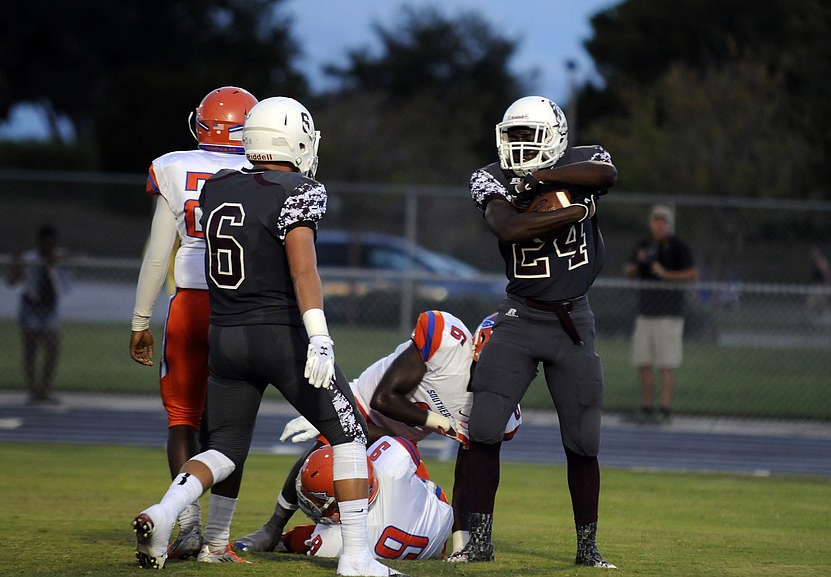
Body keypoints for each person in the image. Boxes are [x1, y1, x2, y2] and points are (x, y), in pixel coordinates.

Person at [131, 96, 402, 577]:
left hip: (226, 336)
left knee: (223, 448)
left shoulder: (217, 186)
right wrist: (319, 335)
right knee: (349, 435)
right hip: (281, 336)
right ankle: (358, 558)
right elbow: (303, 271)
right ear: (293, 139)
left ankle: (166, 511)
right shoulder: (298, 189)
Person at [447, 95, 618, 568]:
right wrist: (573, 213)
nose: (520, 146)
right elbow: (507, 227)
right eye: (514, 135)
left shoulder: (582, 161)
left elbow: (606, 176)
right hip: (520, 316)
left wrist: (541, 178)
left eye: (530, 136)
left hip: (573, 321)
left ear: (556, 138)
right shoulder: (491, 177)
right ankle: (479, 543)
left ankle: (588, 548)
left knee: (583, 442)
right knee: (482, 429)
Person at [235, 310, 521, 556]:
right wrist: (440, 422)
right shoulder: (446, 344)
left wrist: (462, 542)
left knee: (392, 516)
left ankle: (313, 537)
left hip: (401, 445)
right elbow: (383, 399)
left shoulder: (499, 409)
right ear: (480, 347)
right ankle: (273, 527)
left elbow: (468, 479)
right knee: (322, 466)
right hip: (362, 408)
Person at [129, 86, 257, 561]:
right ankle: (218, 541)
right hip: (242, 308)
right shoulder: (264, 169)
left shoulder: (174, 166)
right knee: (231, 428)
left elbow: (157, 255)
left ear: (201, 123)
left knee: (182, 418)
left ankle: (186, 526)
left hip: (188, 305)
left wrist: (141, 319)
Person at [279, 436, 453, 560]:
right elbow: (408, 446)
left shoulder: (330, 543)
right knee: (410, 473)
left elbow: (303, 540)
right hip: (438, 531)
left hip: (413, 544)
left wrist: (285, 539)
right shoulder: (392, 468)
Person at [624, 205, 698, 424]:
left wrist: (666, 274)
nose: (660, 225)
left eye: (664, 221)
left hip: (669, 314)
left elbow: (693, 274)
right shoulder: (644, 245)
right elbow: (628, 272)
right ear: (651, 223)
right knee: (643, 361)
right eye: (656, 221)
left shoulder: (678, 247)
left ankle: (665, 410)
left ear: (669, 224)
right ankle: (646, 408)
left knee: (667, 363)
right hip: (646, 312)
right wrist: (640, 263)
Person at [7, 225, 71, 405]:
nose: (48, 247)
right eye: (45, 244)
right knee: (31, 347)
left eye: (52, 244)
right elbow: (12, 281)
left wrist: (58, 258)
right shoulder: (29, 258)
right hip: (31, 306)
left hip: (50, 307)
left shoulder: (59, 256)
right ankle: (32, 391)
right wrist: (15, 263)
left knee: (52, 346)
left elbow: (80, 259)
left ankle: (45, 389)